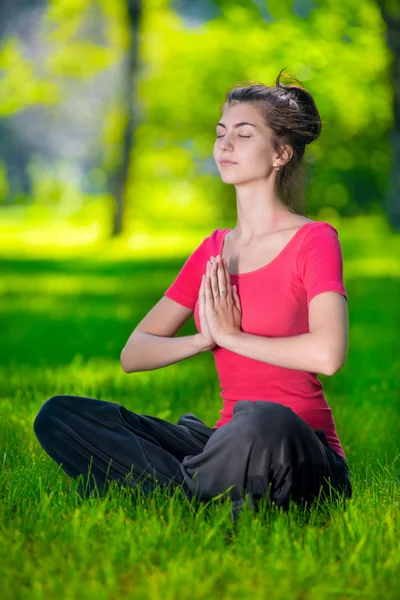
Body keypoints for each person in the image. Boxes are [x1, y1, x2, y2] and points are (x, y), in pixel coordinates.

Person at [33, 69, 353, 521]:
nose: (225, 145)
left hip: (297, 447)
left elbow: (328, 354)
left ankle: (181, 487)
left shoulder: (315, 239)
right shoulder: (214, 249)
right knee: (60, 415)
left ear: (281, 152)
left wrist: (231, 335)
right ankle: (207, 484)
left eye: (244, 134)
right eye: (221, 133)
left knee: (261, 419)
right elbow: (134, 353)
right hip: (226, 439)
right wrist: (204, 340)